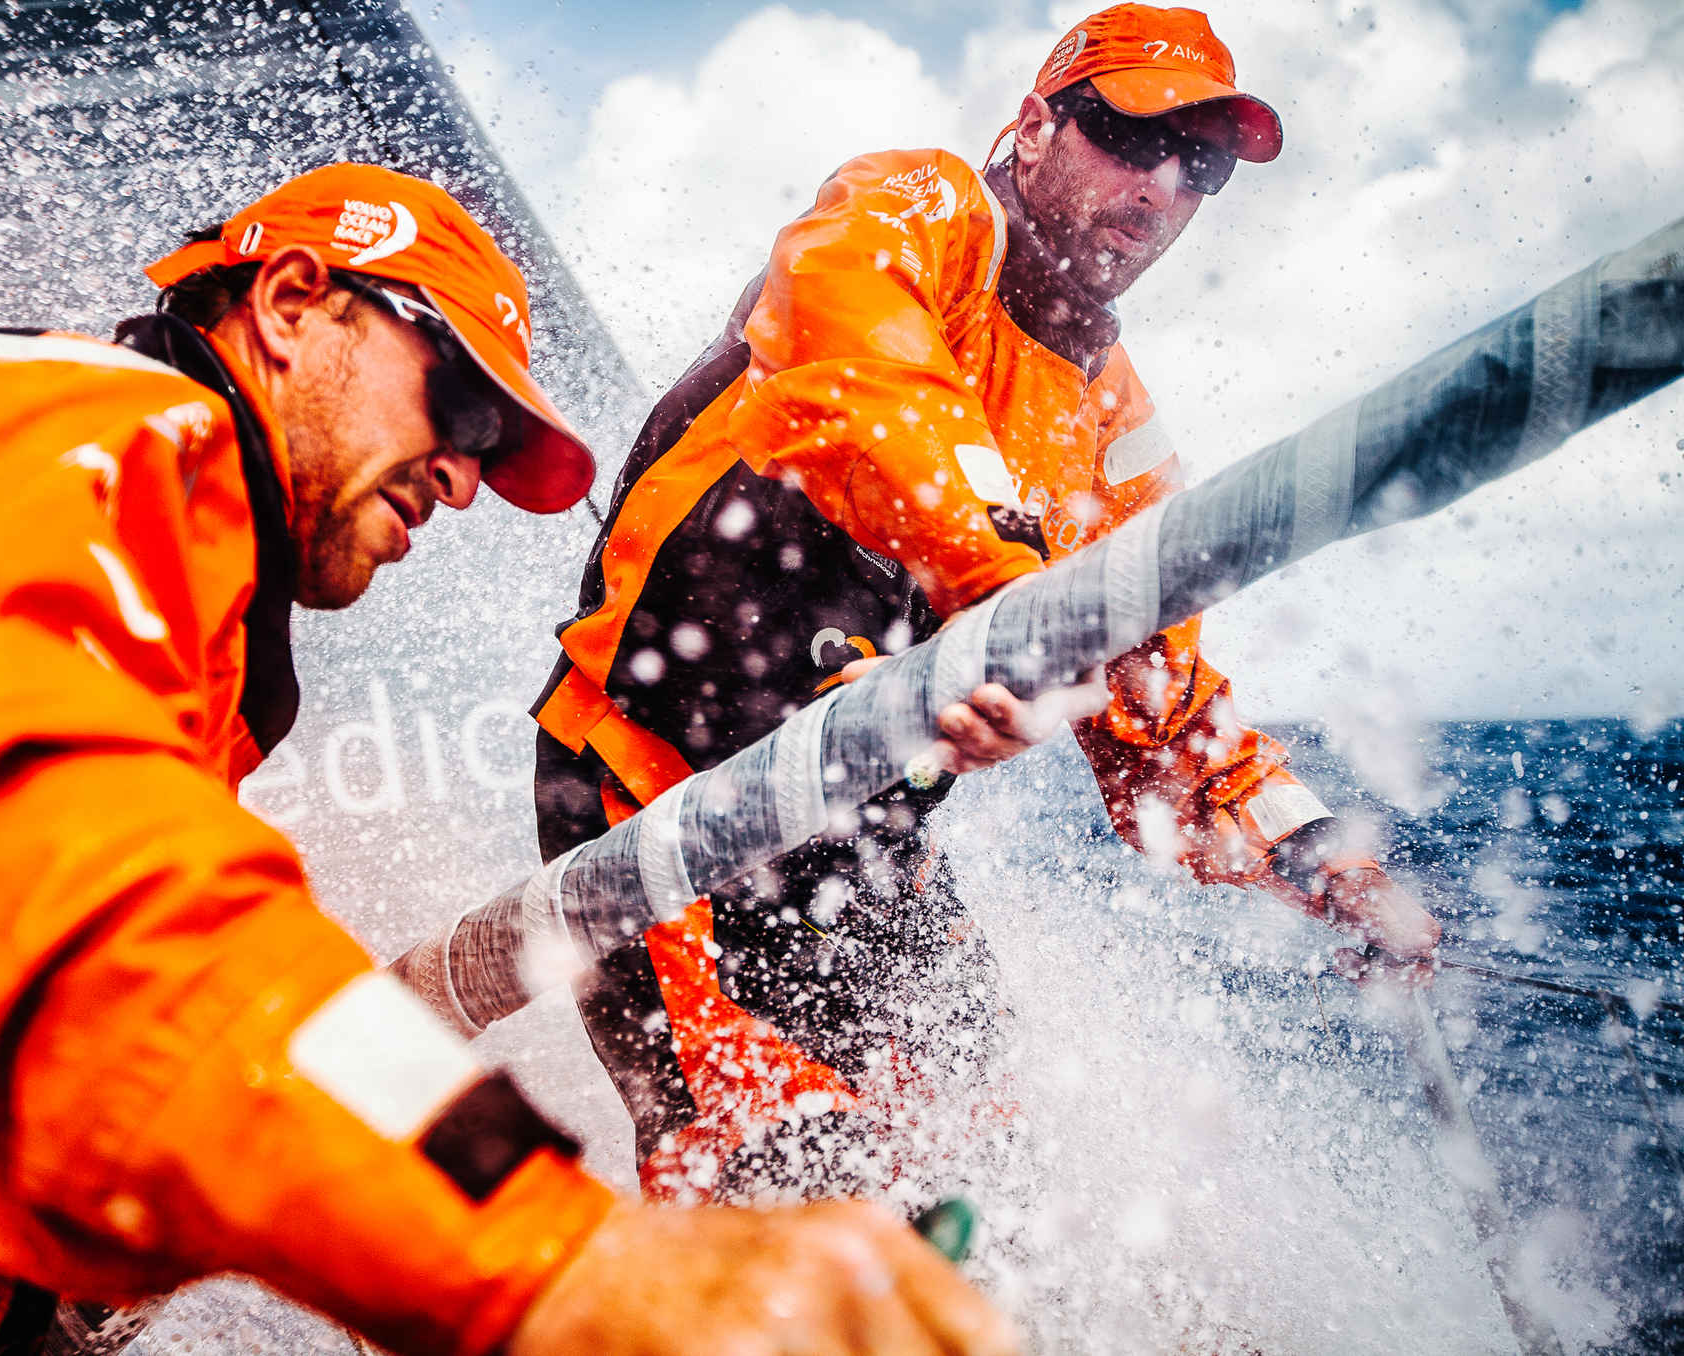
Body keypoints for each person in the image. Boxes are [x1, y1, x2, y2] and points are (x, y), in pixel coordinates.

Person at [0, 163, 1021, 1356]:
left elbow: (27, 1004)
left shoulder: (190, 626)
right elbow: (78, 901)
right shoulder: (81, 424)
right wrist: (539, 1250)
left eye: (488, 457)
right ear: (292, 302)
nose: (461, 481)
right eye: (462, 410)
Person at [530, 3, 1444, 1203]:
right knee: (787, 1203)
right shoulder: (914, 213)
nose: (1160, 186)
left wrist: (1317, 857)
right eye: (1131, 136)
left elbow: (1157, 702)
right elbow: (861, 378)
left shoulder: (1110, 429)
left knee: (991, 1185)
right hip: (662, 800)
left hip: (865, 857)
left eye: (1200, 165)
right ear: (1034, 126)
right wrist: (1006, 595)